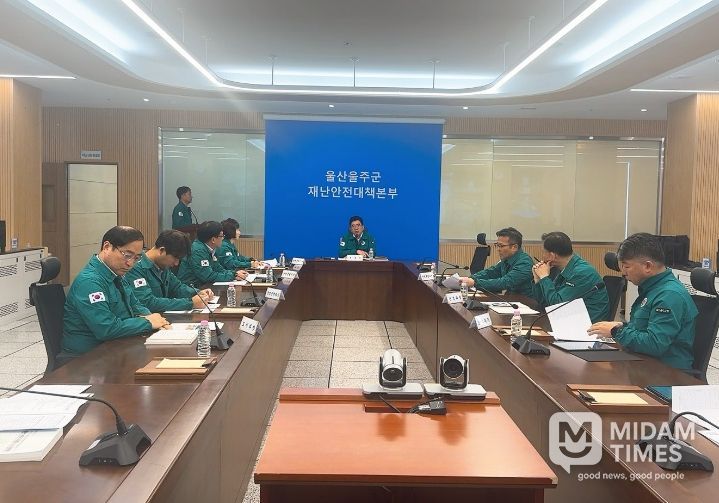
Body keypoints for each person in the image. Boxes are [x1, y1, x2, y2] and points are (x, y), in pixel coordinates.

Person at [588, 233, 697, 370]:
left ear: (647, 266)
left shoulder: (669, 295)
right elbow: (644, 327)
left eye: (627, 267)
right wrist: (622, 325)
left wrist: (616, 331)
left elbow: (655, 344)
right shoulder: (653, 288)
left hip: (666, 373)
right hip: (644, 363)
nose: (623, 273)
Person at [61, 226, 169, 356]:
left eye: (136, 258)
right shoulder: (90, 282)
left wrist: (154, 319)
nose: (130, 263)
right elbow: (106, 328)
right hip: (86, 357)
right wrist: (147, 322)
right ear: (107, 247)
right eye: (127, 255)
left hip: (115, 347)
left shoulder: (116, 274)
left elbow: (135, 305)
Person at [126, 229, 215, 312]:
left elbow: (177, 287)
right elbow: (148, 302)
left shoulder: (162, 265)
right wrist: (190, 303)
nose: (176, 263)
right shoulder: (135, 267)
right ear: (162, 250)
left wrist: (198, 293)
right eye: (175, 258)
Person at [531, 231, 609, 323]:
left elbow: (557, 306)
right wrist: (538, 279)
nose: (542, 256)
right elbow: (544, 302)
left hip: (588, 325)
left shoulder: (582, 273)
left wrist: (544, 278)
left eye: (544, 252)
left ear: (552, 256)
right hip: (570, 319)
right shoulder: (562, 267)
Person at [460, 227, 533, 296]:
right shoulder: (506, 259)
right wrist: (470, 278)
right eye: (497, 245)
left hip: (525, 302)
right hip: (512, 299)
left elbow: (505, 282)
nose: (498, 249)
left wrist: (475, 282)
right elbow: (491, 272)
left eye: (501, 246)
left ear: (514, 247)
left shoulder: (525, 263)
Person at [177, 220, 249, 286]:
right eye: (221, 236)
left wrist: (234, 274)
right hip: (192, 287)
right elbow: (207, 276)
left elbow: (218, 269)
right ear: (213, 239)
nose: (223, 238)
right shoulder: (198, 251)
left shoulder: (209, 248)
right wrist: (233, 276)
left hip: (202, 286)